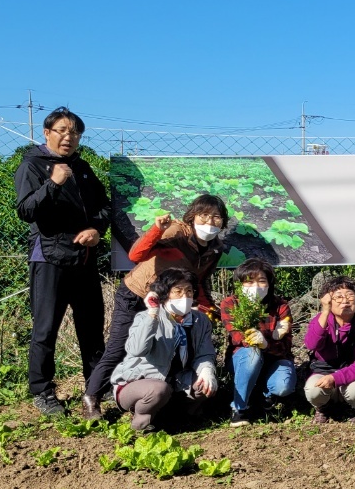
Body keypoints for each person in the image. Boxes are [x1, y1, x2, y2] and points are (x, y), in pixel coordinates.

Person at [83, 193, 228, 419]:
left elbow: (199, 281)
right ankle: (92, 398)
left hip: (167, 303)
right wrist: (156, 229)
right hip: (136, 294)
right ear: (192, 216)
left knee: (161, 348)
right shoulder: (176, 232)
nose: (210, 223)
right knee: (119, 347)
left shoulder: (214, 249)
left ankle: (154, 398)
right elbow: (135, 254)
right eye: (204, 216)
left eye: (216, 218)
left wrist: (208, 308)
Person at [14, 107, 112, 418]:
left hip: (83, 258)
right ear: (47, 133)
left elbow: (105, 208)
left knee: (91, 327)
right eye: (62, 131)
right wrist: (53, 184)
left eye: (75, 133)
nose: (68, 137)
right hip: (49, 259)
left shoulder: (83, 168)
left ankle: (97, 386)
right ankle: (42, 391)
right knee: (45, 329)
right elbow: (26, 210)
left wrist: (97, 231)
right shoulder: (33, 165)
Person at [110, 268, 218, 432]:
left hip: (177, 380)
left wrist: (207, 371)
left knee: (205, 385)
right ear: (165, 294)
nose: (185, 297)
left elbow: (205, 353)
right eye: (178, 291)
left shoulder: (200, 320)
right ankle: (141, 425)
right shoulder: (147, 317)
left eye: (189, 291)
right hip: (139, 383)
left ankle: (179, 419)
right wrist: (152, 315)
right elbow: (136, 350)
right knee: (159, 389)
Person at [219, 258, 296, 427]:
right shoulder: (230, 304)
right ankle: (239, 409)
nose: (256, 287)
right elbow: (239, 338)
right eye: (249, 282)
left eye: (262, 281)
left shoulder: (280, 306)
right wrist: (270, 334)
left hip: (274, 360)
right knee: (252, 354)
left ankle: (264, 398)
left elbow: (285, 346)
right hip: (243, 360)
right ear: (240, 284)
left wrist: (266, 344)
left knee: (283, 385)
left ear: (269, 284)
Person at [302, 276, 355, 424]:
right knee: (313, 391)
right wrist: (325, 312)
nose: (345, 300)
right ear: (329, 301)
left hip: (354, 374)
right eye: (338, 296)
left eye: (350, 295)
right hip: (323, 371)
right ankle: (324, 407)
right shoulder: (320, 320)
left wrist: (335, 378)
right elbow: (312, 344)